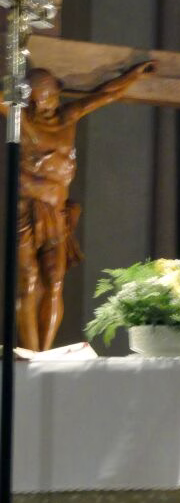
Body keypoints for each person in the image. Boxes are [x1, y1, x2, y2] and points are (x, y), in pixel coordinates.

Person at [0, 60, 156, 352]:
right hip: (26, 213)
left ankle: (43, 352)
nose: (41, 104)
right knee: (28, 281)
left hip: (57, 213)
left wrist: (134, 75)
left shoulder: (68, 116)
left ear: (56, 94)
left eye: (47, 97)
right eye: (35, 99)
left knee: (55, 280)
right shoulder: (23, 122)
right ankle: (30, 353)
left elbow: (106, 94)